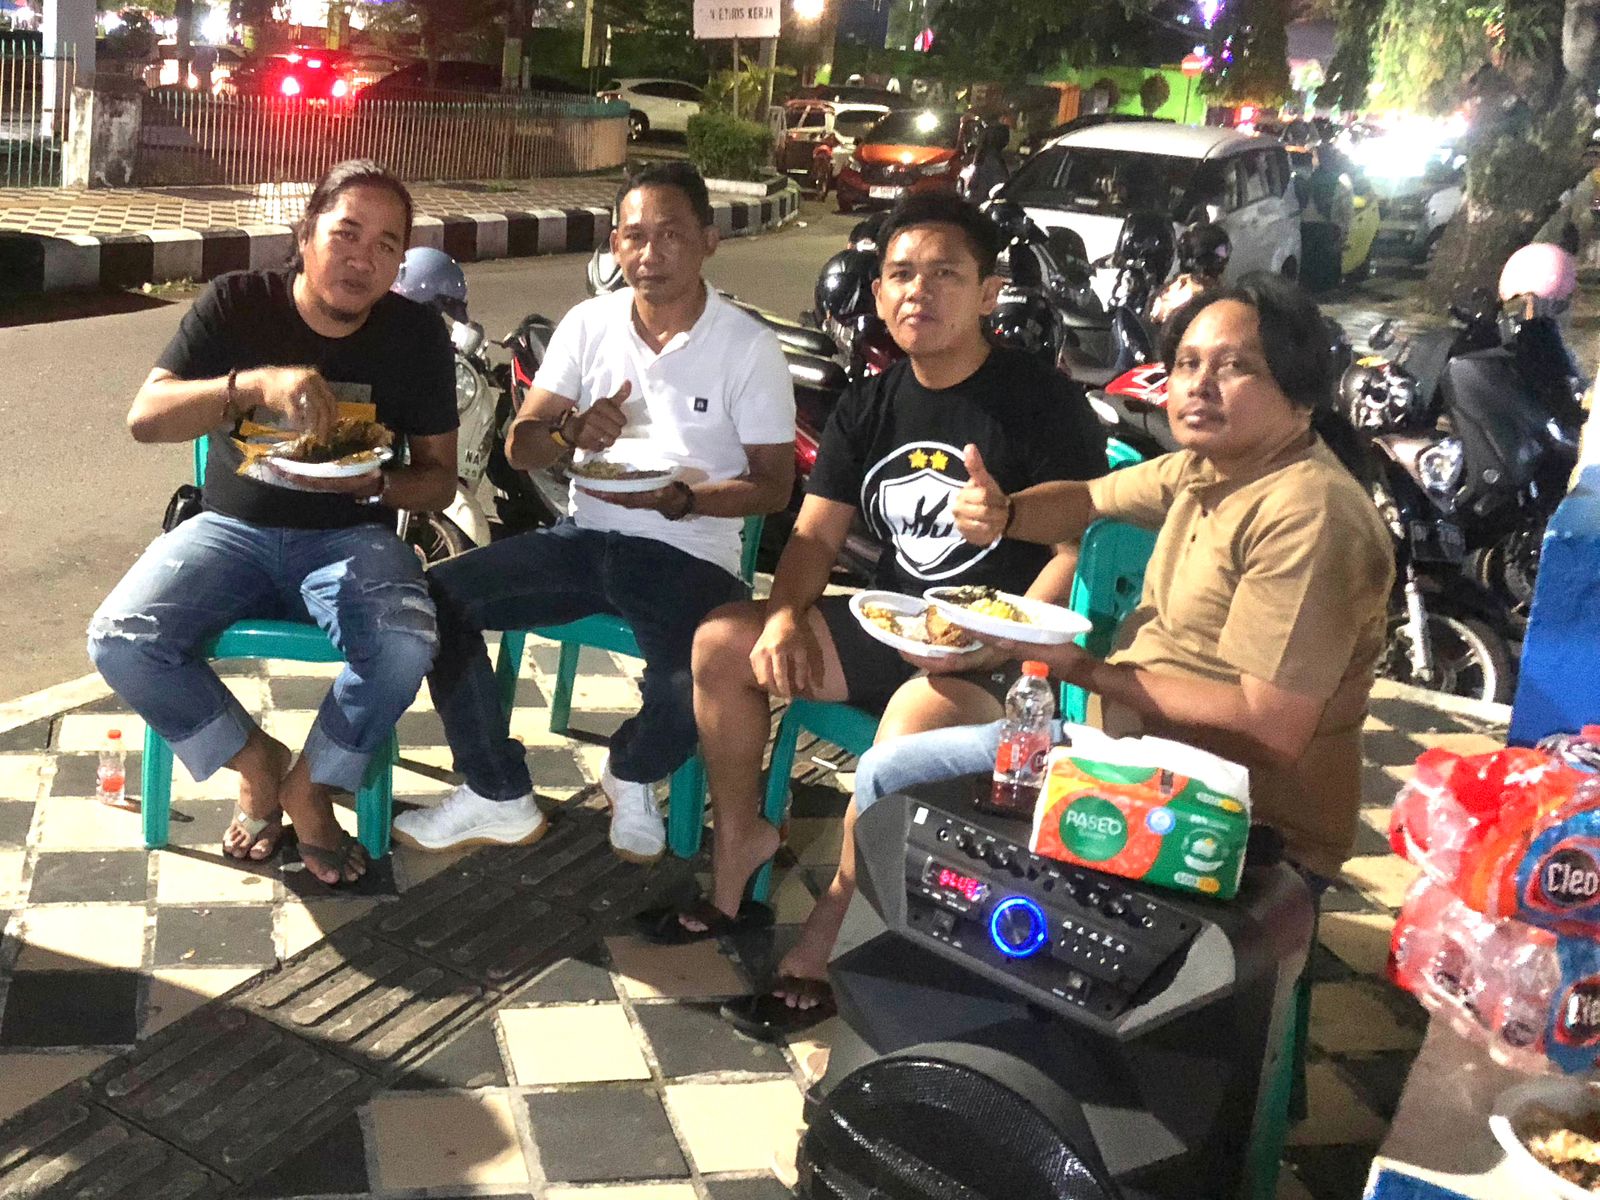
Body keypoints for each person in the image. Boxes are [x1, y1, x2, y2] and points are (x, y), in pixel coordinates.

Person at [663, 191, 1108, 1036]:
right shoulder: (871, 402)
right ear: (877, 294)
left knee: (907, 725)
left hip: (1001, 655)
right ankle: (740, 848)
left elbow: (1077, 548)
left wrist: (996, 641)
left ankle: (835, 923)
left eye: (945, 274)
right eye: (901, 274)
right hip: (897, 623)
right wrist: (785, 616)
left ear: (988, 292)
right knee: (723, 641)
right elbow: (813, 534)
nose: (919, 292)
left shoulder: (1039, 402)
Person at [851, 274, 1394, 906]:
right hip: (1123, 758)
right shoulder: (1207, 467)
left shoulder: (1312, 514)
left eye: (1234, 367)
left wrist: (1081, 669)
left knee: (916, 805)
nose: (1200, 384)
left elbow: (1269, 728)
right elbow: (1086, 498)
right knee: (894, 777)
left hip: (1229, 815)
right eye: (1187, 364)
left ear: (1300, 393)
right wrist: (1007, 513)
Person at [396, 161, 796, 862]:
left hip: (692, 554)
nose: (650, 253)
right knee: (431, 599)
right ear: (615, 246)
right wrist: (568, 431)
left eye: (671, 234)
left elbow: (773, 486)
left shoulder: (747, 346)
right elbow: (520, 447)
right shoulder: (590, 323)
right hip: (585, 537)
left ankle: (631, 770)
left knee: (697, 682)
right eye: (634, 236)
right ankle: (497, 790)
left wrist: (683, 500)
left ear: (708, 240)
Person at [88, 159, 459, 885]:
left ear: (399, 263)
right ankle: (259, 764)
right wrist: (252, 384)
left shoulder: (415, 334)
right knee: (121, 638)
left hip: (354, 538)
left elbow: (440, 480)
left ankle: (311, 786)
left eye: (386, 245)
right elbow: (145, 419)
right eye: (346, 233)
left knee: (405, 644)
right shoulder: (238, 304)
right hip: (228, 530)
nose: (362, 258)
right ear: (306, 232)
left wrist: (380, 483)